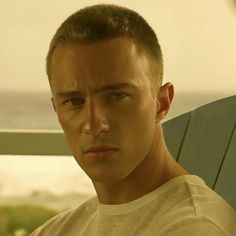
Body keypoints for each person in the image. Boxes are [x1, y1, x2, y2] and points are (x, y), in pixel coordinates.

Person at [31, 4, 236, 235]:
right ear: (56, 110)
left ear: (162, 103)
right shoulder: (56, 230)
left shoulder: (194, 228)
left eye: (117, 96)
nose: (93, 124)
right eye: (73, 102)